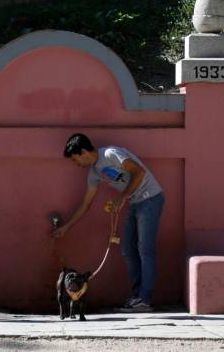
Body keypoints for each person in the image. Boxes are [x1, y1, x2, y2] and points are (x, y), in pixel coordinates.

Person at [53, 133, 164, 312]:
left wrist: (121, 197)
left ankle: (144, 298)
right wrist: (67, 227)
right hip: (135, 202)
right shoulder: (94, 173)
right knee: (128, 250)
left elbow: (139, 172)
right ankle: (137, 297)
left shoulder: (110, 154)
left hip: (150, 198)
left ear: (83, 152)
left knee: (145, 249)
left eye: (75, 159)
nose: (76, 164)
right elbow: (86, 204)